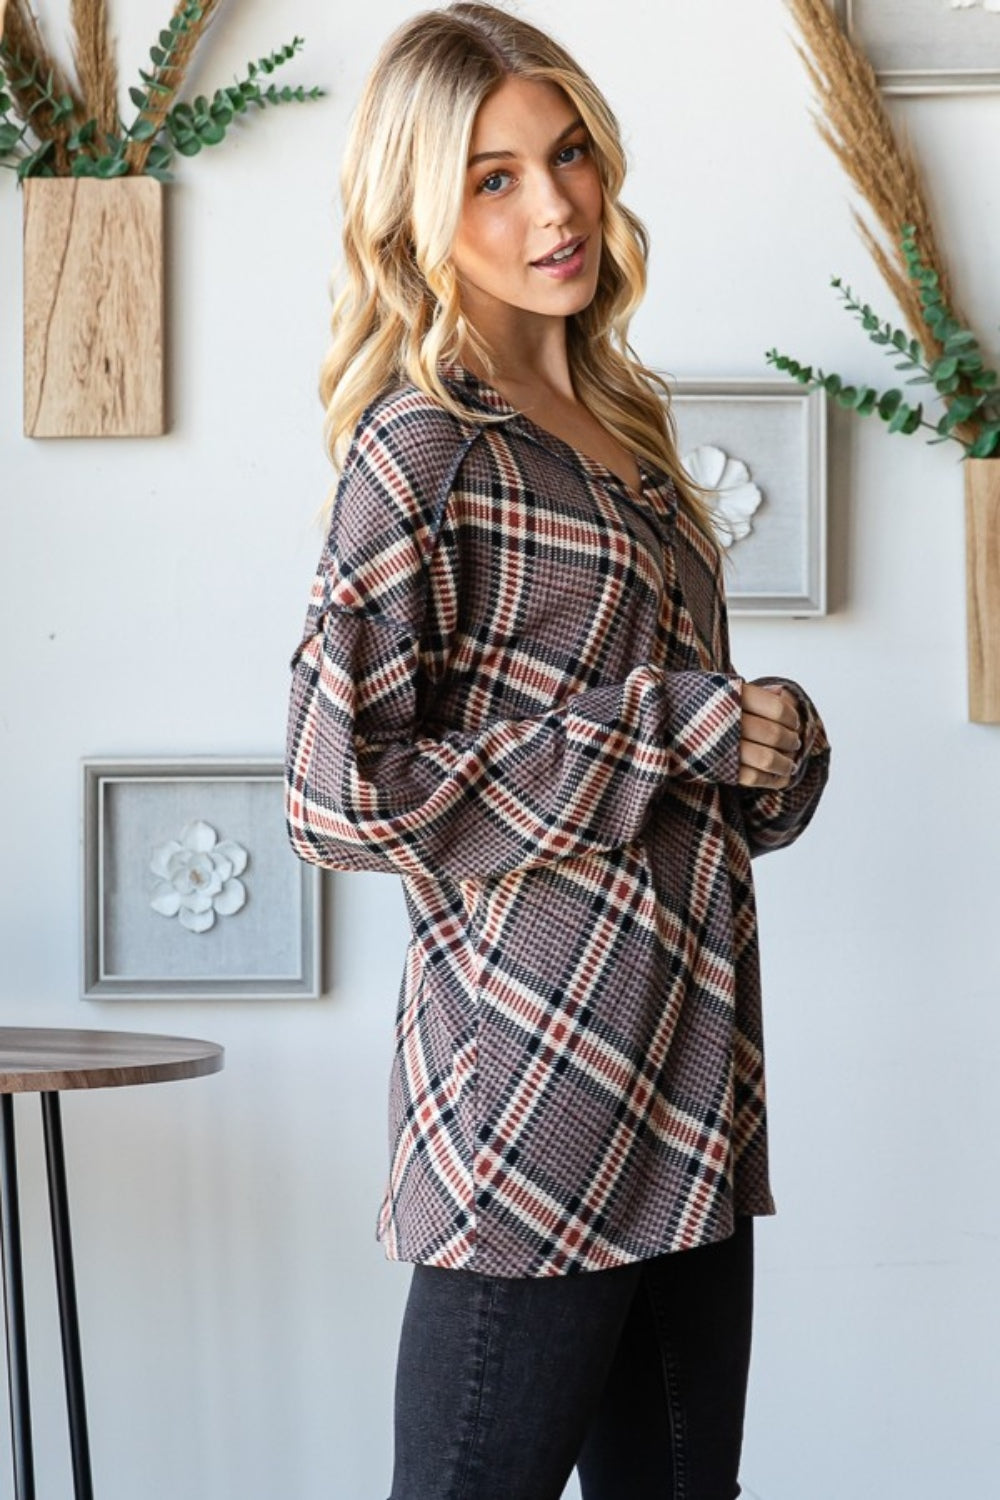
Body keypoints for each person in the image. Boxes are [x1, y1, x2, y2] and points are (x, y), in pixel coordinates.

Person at [284, 5, 830, 1497]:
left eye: (569, 154)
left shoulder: (624, 434)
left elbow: (670, 773)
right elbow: (338, 793)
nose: (556, 206)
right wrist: (666, 723)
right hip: (537, 1102)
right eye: (494, 177)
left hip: (692, 1080)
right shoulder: (424, 446)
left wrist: (767, 749)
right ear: (419, 208)